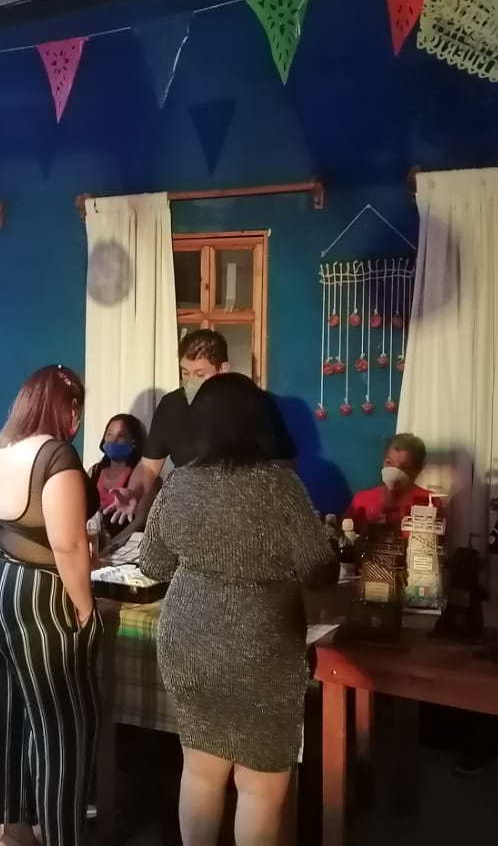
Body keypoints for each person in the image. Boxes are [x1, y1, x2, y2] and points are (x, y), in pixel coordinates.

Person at [138, 373, 338, 846]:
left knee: (200, 769)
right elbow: (320, 572)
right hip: (261, 645)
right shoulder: (281, 486)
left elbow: (152, 563)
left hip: (188, 640)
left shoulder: (179, 482)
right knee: (259, 785)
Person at [0, 365, 98, 846]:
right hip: (32, 597)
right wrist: (85, 610)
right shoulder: (56, 456)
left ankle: (14, 830)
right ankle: (62, 835)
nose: (78, 419)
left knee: (6, 711)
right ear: (67, 408)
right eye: (77, 408)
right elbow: (68, 545)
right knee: (62, 724)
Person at [106, 329, 295, 526]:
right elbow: (149, 465)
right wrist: (134, 492)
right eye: (185, 373)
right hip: (188, 518)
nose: (190, 383)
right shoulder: (171, 405)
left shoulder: (253, 401)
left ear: (223, 369)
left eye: (199, 374)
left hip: (245, 519)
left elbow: (284, 465)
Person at [343, 433, 431, 532]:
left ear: (417, 470)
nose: (394, 471)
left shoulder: (429, 501)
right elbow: (344, 535)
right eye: (389, 462)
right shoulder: (362, 500)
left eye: (403, 467)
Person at [86, 413, 152, 544]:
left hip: (126, 547)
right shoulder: (93, 471)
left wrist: (112, 545)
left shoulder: (142, 476)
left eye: (121, 436)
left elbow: (140, 520)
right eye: (109, 434)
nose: (113, 440)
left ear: (134, 442)